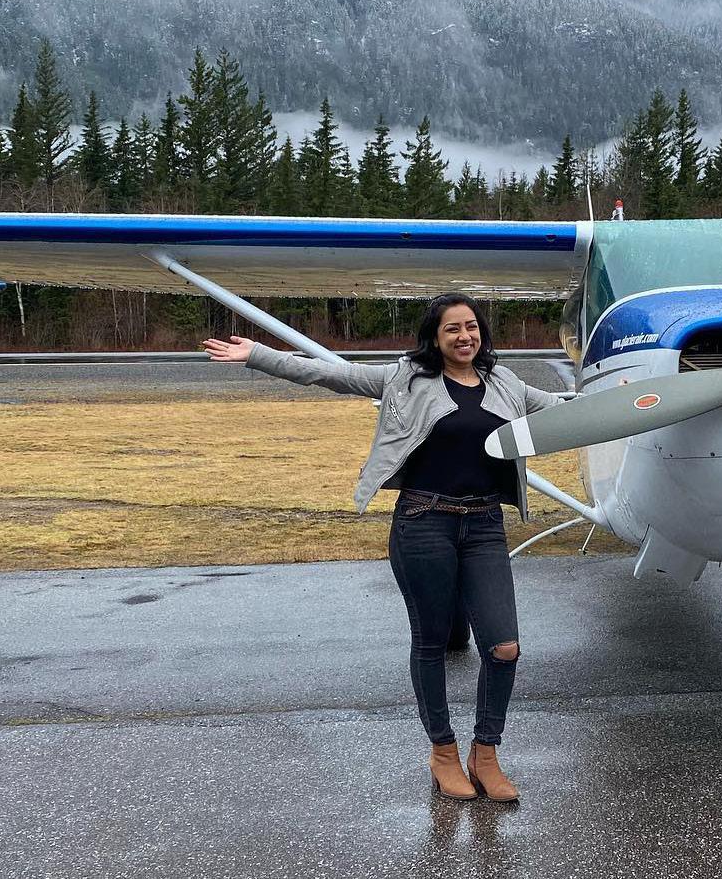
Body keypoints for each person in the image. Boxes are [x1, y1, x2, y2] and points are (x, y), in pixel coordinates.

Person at [201, 294, 560, 803]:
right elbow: (330, 374)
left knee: (504, 646)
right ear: (435, 336)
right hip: (424, 522)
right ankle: (443, 753)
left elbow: (566, 412)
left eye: (472, 327)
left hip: (485, 526)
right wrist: (258, 356)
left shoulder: (507, 383)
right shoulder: (404, 378)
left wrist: (632, 399)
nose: (465, 336)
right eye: (453, 328)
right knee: (431, 642)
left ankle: (486, 753)